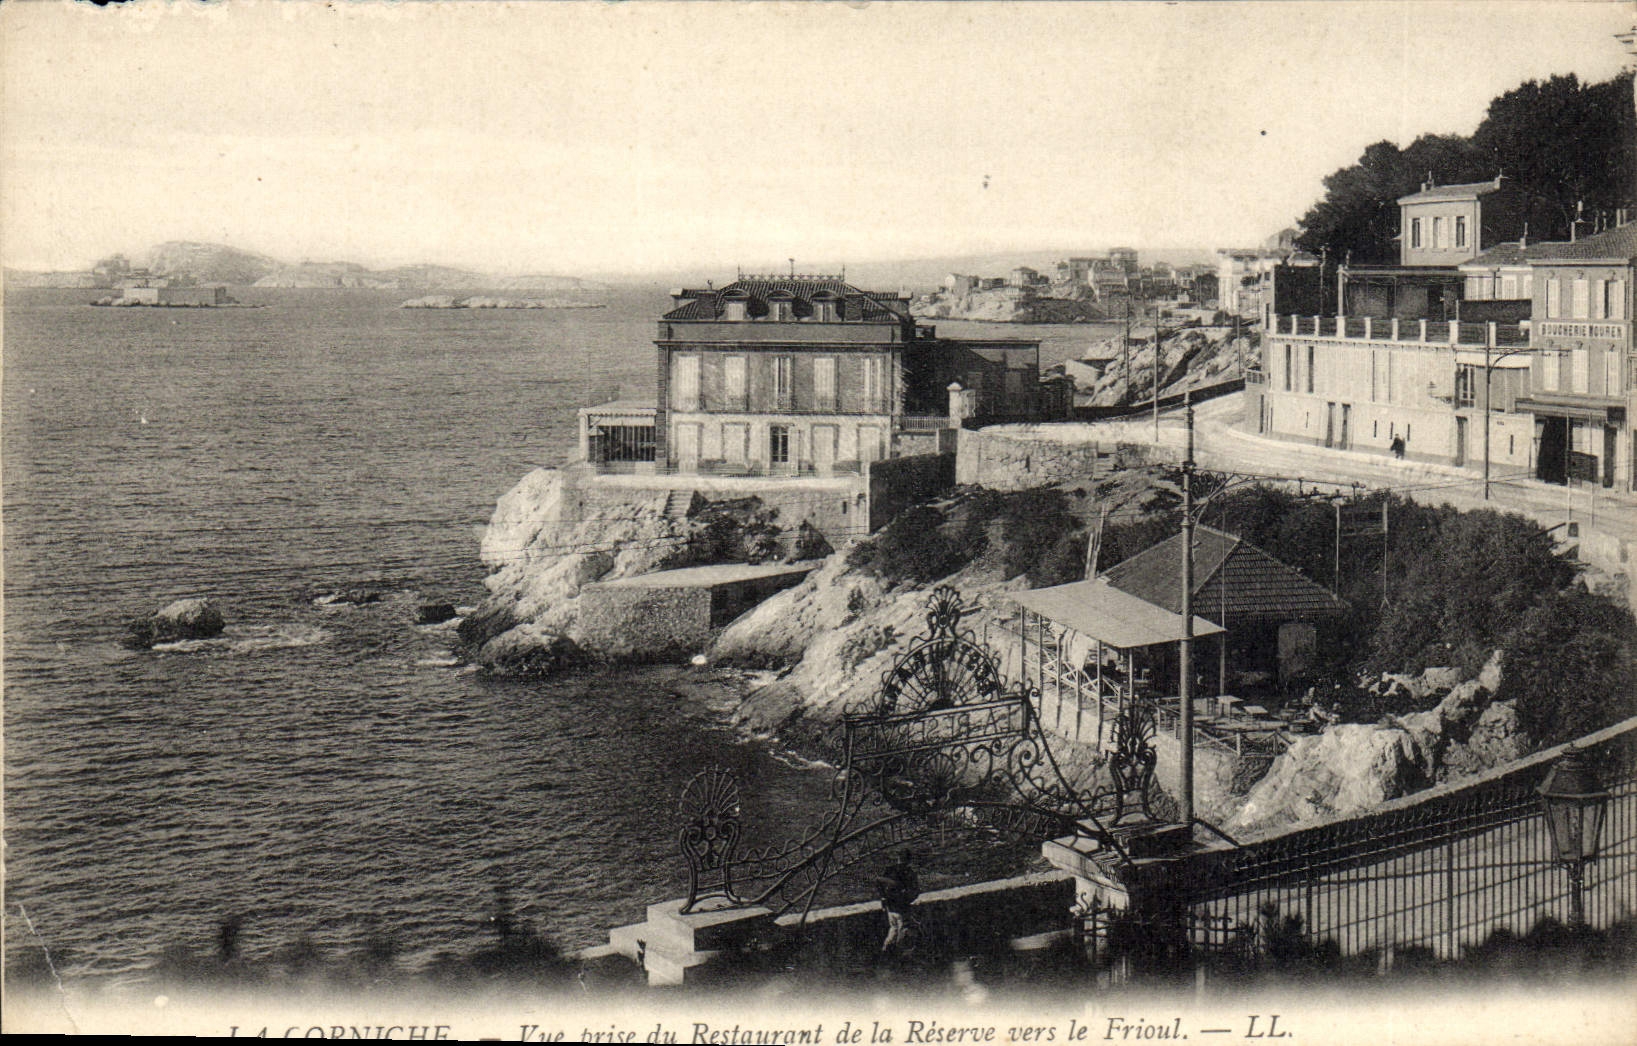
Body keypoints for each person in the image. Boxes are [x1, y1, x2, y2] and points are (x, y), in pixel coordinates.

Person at [877, 851, 920, 954]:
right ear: (909, 860)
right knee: (903, 929)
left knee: (894, 928)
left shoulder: (889, 870)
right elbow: (915, 891)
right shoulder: (909, 873)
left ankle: (886, 949)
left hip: (890, 906)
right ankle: (901, 952)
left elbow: (879, 882)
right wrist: (907, 899)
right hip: (901, 907)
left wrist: (883, 899)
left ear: (898, 859)